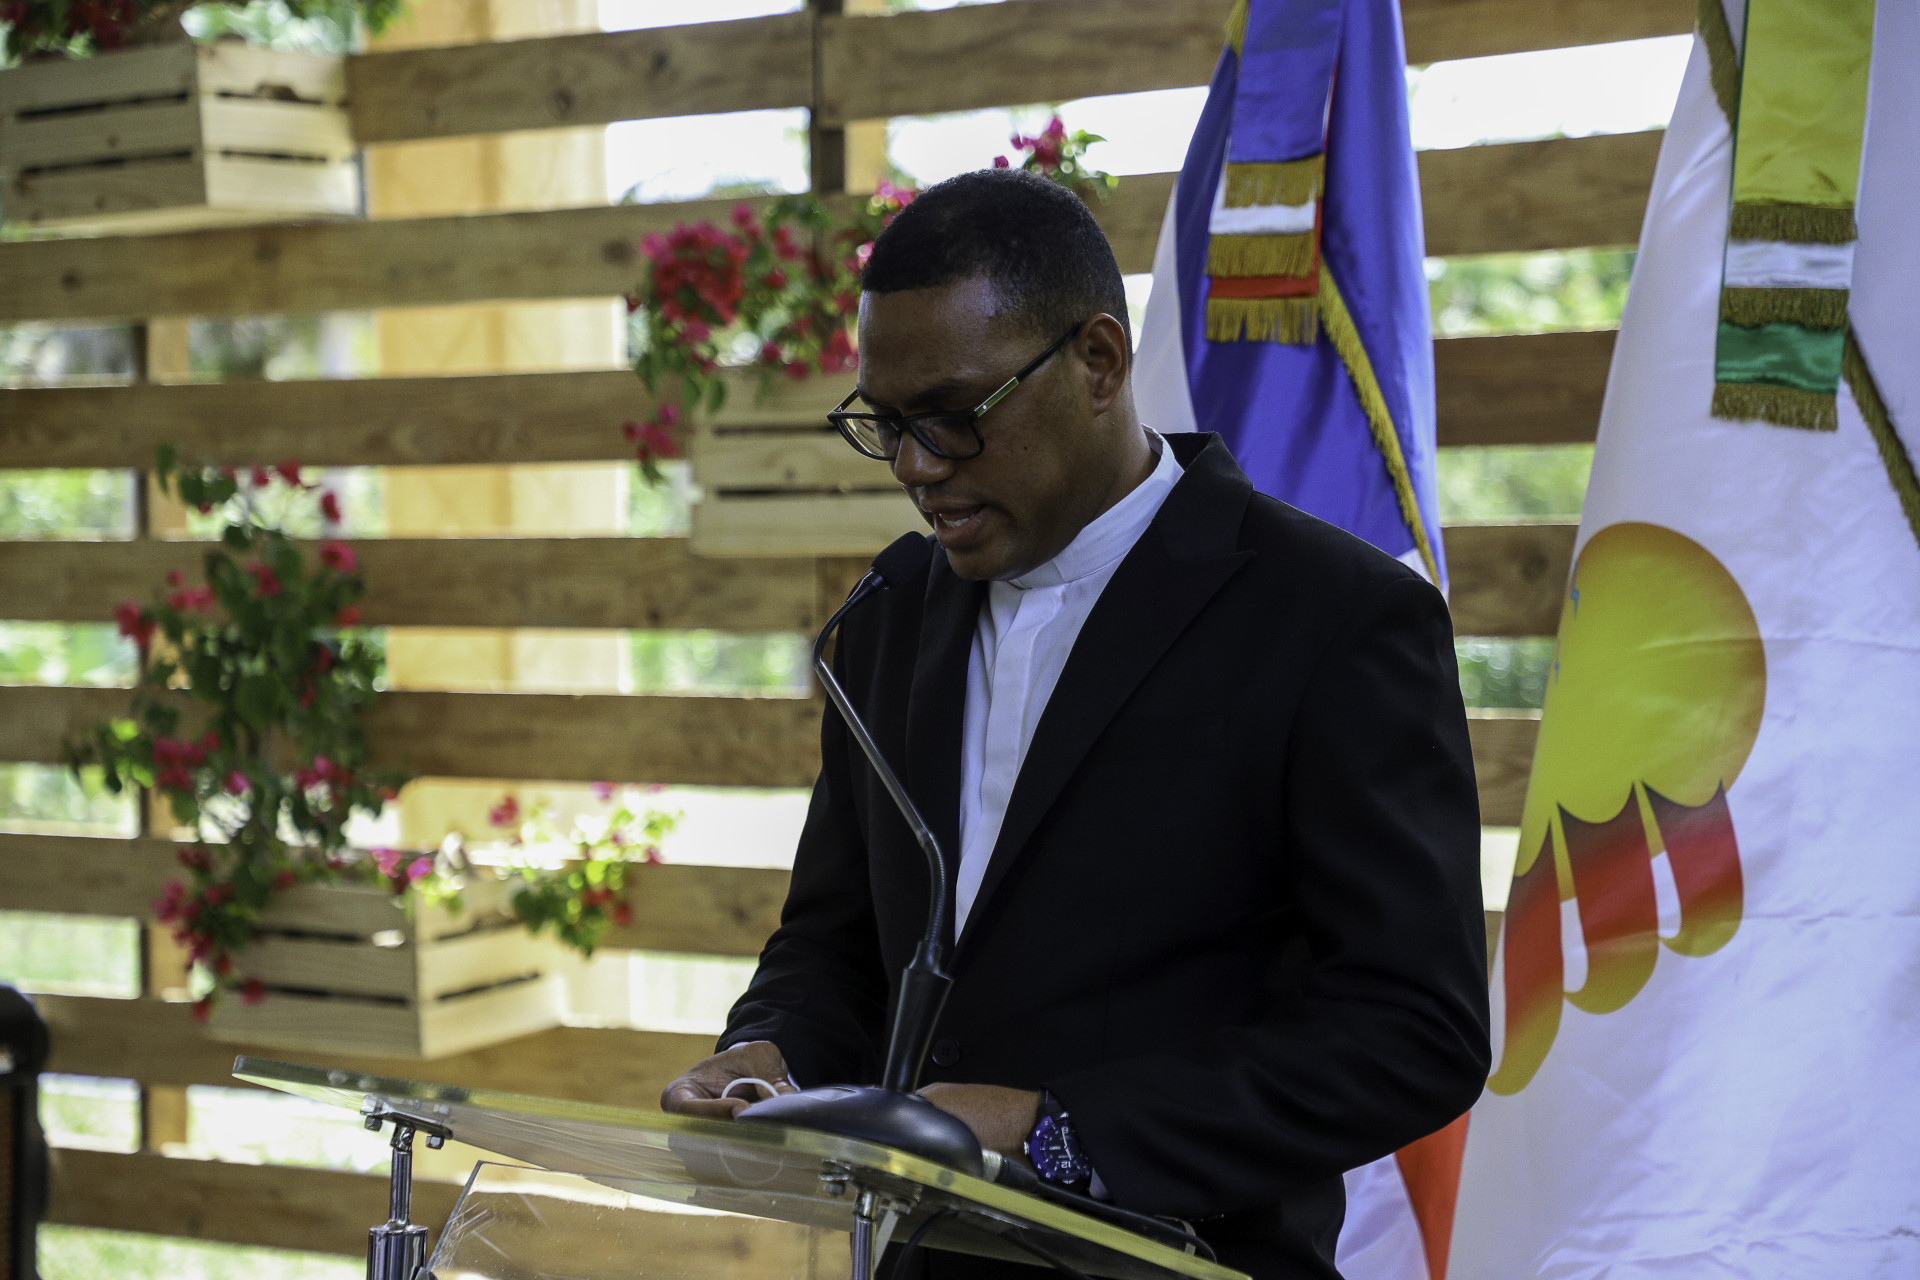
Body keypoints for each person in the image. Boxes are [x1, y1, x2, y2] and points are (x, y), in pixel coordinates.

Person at [661, 168, 1490, 1279]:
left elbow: (1415, 1032)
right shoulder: (890, 612)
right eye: (887, 424)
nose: (914, 467)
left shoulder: (1333, 618)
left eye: (954, 416)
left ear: (1099, 361)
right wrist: (767, 1048)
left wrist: (1054, 1128)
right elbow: (835, 943)